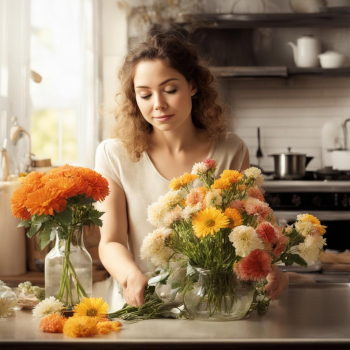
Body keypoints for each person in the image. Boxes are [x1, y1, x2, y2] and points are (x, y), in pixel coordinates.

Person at [95, 29, 289, 312]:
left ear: (193, 86)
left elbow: (250, 233)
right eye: (145, 95)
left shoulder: (230, 149)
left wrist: (270, 268)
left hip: (215, 305)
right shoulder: (114, 155)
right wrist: (130, 275)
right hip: (141, 307)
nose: (158, 104)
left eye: (170, 90)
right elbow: (110, 241)